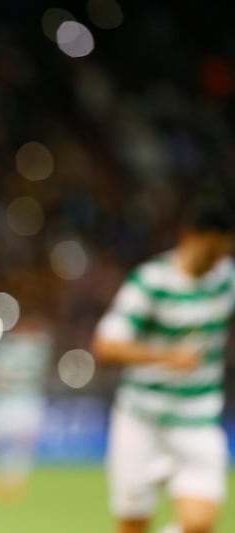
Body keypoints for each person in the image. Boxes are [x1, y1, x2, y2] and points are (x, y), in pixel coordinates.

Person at [91, 194, 235, 533]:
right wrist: (166, 356)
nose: (217, 260)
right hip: (142, 420)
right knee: (133, 526)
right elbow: (106, 345)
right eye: (212, 251)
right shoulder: (151, 282)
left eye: (224, 251)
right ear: (189, 237)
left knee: (200, 525)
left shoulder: (226, 278)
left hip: (197, 420)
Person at [0, 313, 52, 501]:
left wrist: (2, 378)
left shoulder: (36, 350)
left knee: (20, 447)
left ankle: (11, 483)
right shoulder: (6, 348)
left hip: (22, 403)